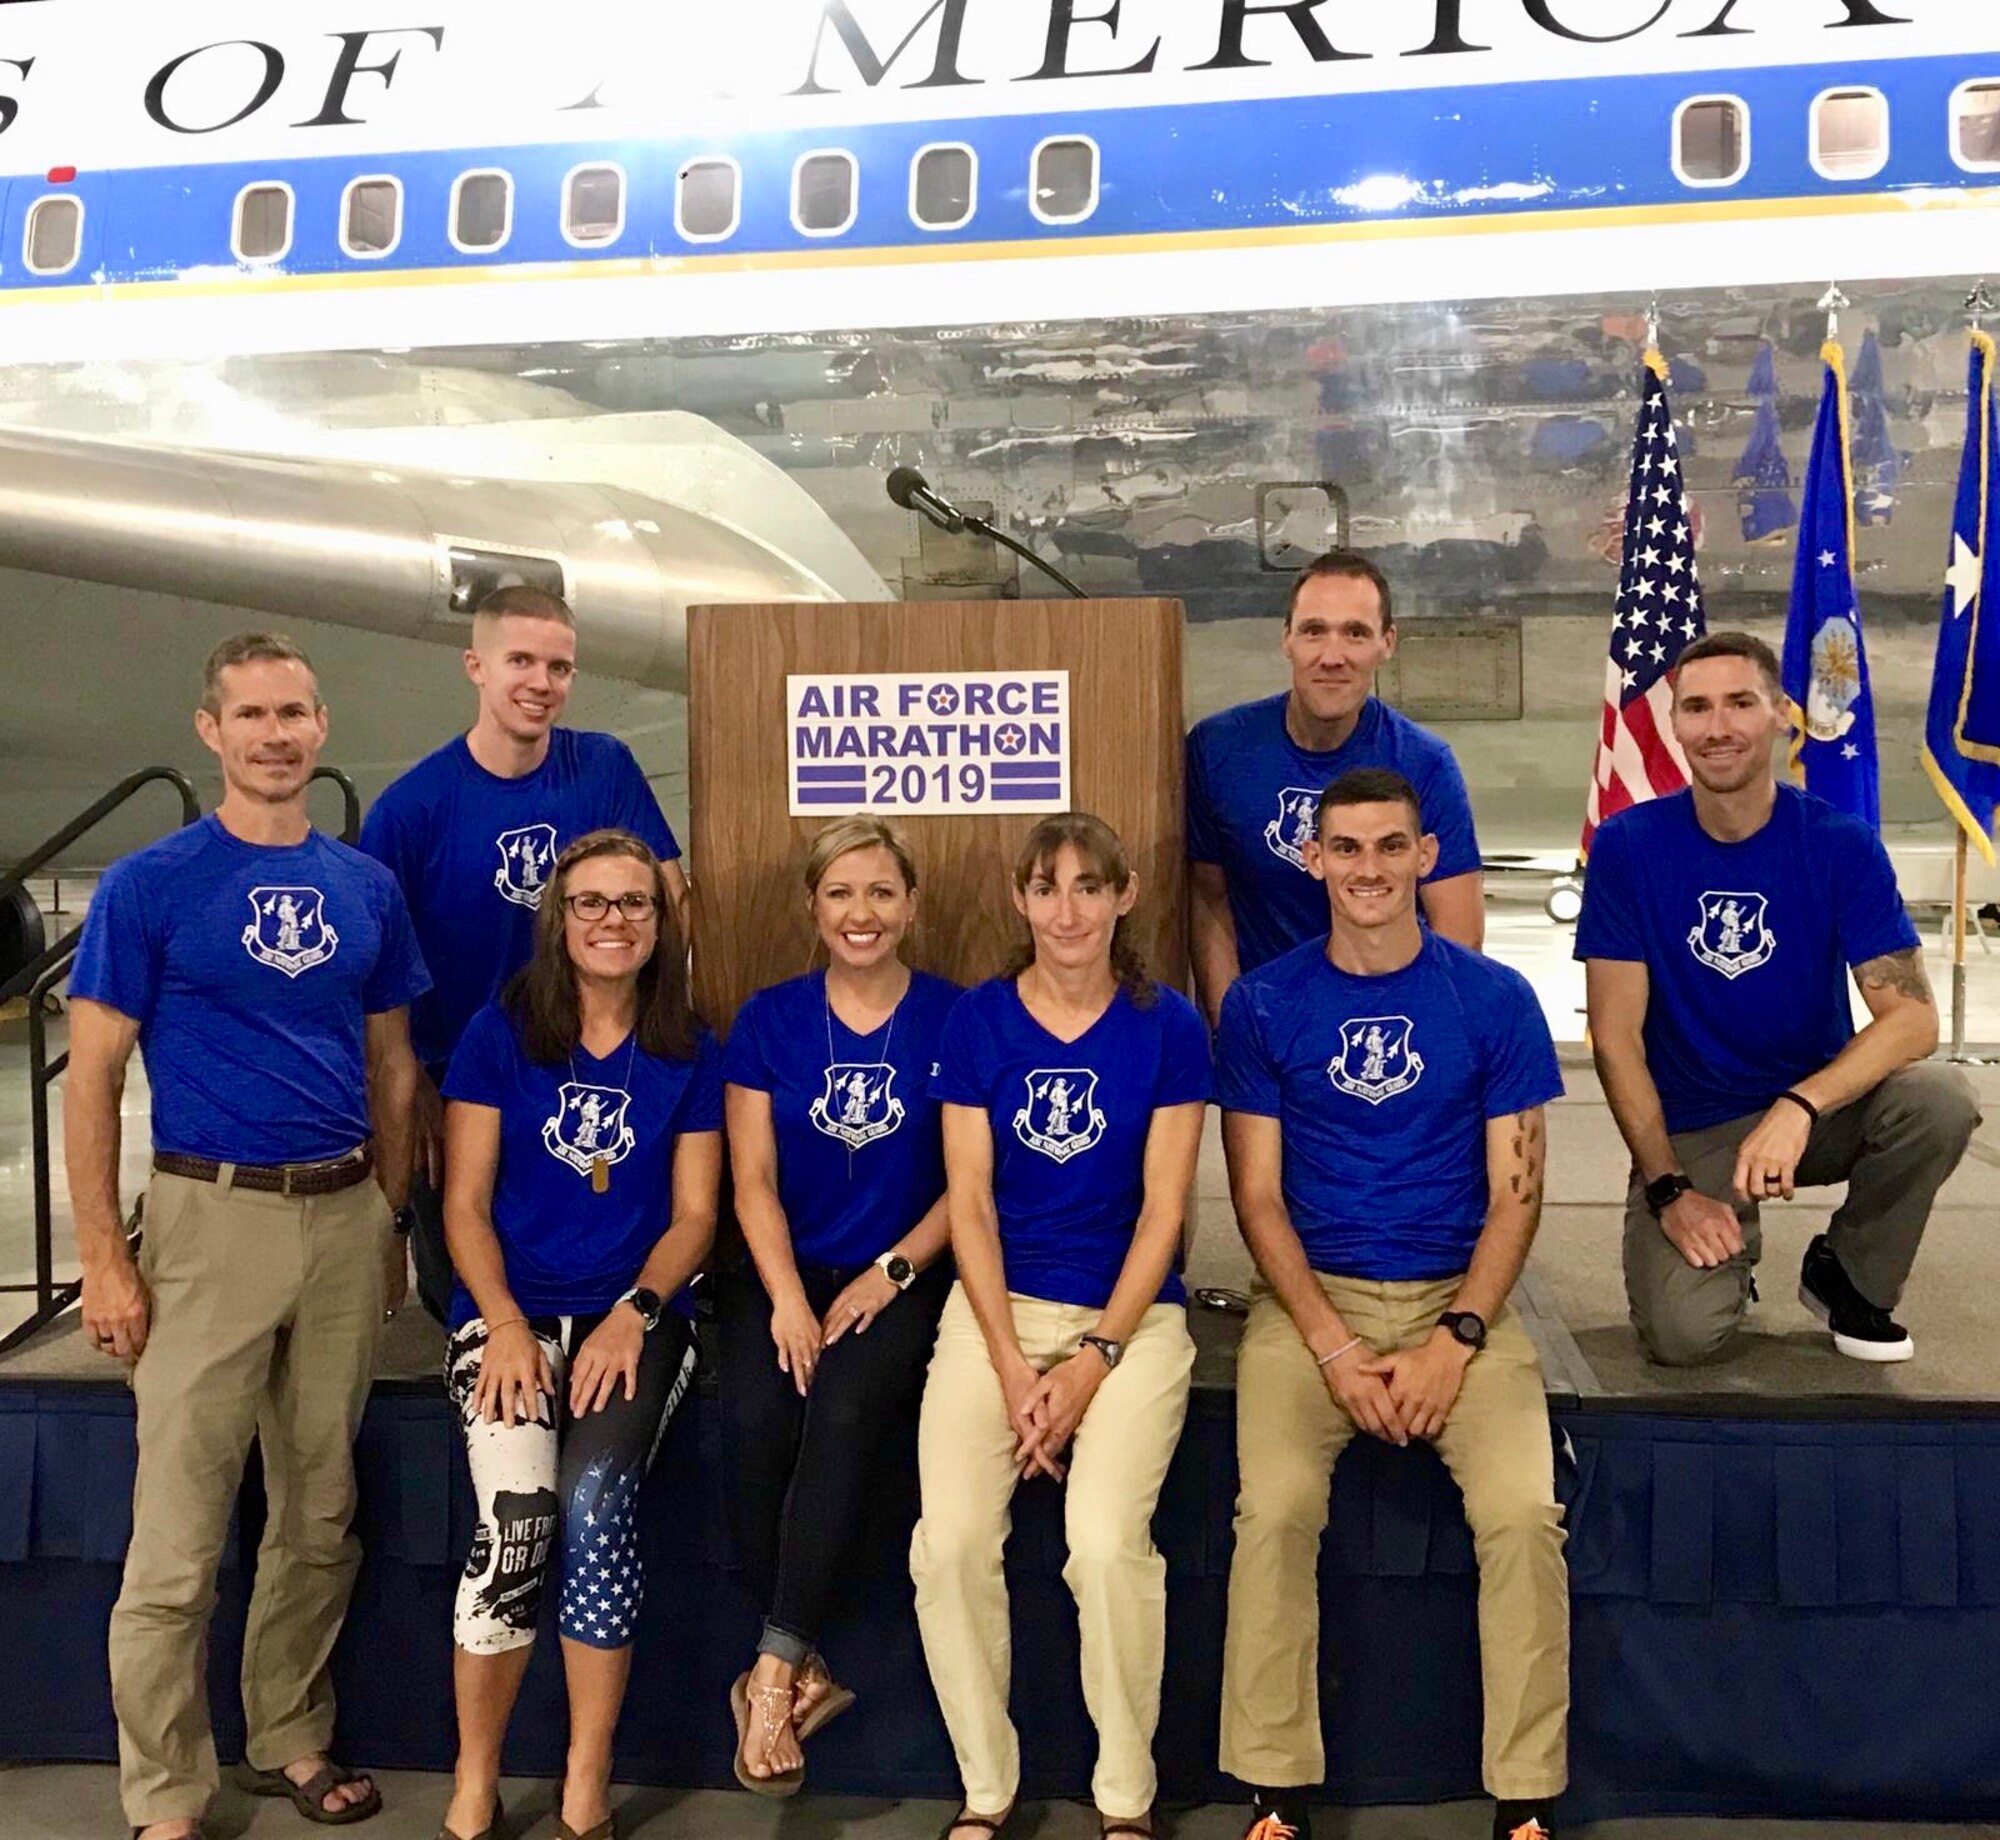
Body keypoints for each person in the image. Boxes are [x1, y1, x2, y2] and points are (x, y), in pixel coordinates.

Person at [67, 632, 428, 1840]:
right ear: (209, 731)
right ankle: (166, 1795)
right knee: (178, 1536)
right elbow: (93, 1076)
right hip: (206, 1221)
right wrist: (105, 1261)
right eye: (252, 715)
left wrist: (389, 1214)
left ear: (322, 727)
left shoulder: (365, 887)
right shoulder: (151, 884)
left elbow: (392, 1064)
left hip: (339, 1216)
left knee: (318, 1512)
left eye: (296, 713)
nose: (277, 734)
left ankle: (288, 1734)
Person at [1216, 767, 1568, 1840]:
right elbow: (1256, 1199)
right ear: (1312, 860)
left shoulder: (1491, 998)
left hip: (1455, 1300)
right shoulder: (1264, 1001)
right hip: (1308, 1301)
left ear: (1424, 857)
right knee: (1270, 1511)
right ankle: (1273, 1785)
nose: (1366, 868)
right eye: (1345, 848)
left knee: (1521, 1515)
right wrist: (1328, 1347)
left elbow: (1517, 1197)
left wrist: (1454, 1339)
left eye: (1388, 847)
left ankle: (1524, 1793)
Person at [912, 812, 1211, 1840]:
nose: (1068, 908)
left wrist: (1090, 1361)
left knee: (1100, 1541)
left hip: (1130, 1316)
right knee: (947, 1542)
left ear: (1123, 896)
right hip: (994, 1309)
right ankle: (984, 1790)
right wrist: (1005, 1363)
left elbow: (1165, 1214)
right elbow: (970, 1204)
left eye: (1090, 886)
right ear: (1019, 898)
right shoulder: (978, 1022)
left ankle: (1123, 1798)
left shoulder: (1168, 1024)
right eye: (1047, 887)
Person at [1577, 631, 1978, 1366]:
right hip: (1695, 1122)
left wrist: (1800, 1107)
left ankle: (1850, 1274)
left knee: (1938, 1100)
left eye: (1740, 703)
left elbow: (1914, 1019)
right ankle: (1732, 1245)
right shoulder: (1628, 847)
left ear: (1781, 715)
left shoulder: (1839, 843)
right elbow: (1614, 1039)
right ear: (1675, 725)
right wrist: (1670, 1189)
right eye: (1696, 707)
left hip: (1814, 1111)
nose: (1718, 727)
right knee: (1683, 1339)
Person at [434, 830, 720, 1840]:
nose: (614, 920)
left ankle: (583, 1782)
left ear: (660, 919)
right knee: (517, 1512)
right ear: (558, 920)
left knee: (595, 1505)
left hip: (633, 1318)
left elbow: (693, 1216)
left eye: (634, 903)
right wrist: (505, 1324)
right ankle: (474, 1778)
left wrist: (632, 1315)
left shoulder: (688, 1042)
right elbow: (461, 1202)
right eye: (591, 902)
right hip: (505, 1315)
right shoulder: (498, 1032)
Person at [359, 585, 686, 1322]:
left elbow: (670, 901)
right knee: (469, 1302)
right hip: (463, 1091)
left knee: (609, 1291)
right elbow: (379, 986)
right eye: (522, 661)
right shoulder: (411, 812)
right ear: (476, 665)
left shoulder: (602, 769)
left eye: (560, 667)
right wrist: (410, 1099)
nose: (542, 683)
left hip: (590, 1075)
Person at [717, 816, 960, 1792]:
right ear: (812, 908)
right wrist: (783, 1297)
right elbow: (751, 1179)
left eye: (880, 893)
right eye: (840, 894)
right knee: (753, 1415)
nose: (861, 913)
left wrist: (890, 1272)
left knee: (848, 1408)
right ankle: (802, 1659)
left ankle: (770, 1671)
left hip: (899, 1269)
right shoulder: (768, 1018)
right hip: (779, 1268)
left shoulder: (954, 1014)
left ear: (909, 905)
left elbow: (967, 1182)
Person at [1186, 549, 1484, 1026]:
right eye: (1313, 630)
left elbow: (1459, 933)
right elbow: (1208, 902)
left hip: (1389, 1023)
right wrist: (1234, 1027)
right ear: (1286, 639)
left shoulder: (1425, 764)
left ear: (1387, 643)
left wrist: (1408, 1036)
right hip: (1272, 1032)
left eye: (1356, 633)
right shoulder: (1217, 750)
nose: (1332, 656)